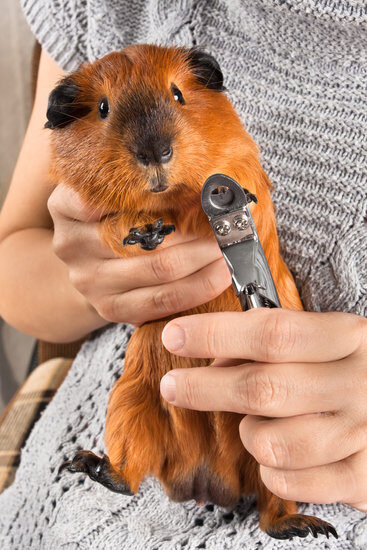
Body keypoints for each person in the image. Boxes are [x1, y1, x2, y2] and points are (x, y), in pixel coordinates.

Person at [0, 0, 366, 548]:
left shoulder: (232, 161)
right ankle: (122, 465)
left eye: (177, 97)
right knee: (138, 397)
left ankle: (277, 510)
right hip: (69, 491)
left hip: (320, 478)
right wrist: (102, 270)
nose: (154, 145)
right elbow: (13, 257)